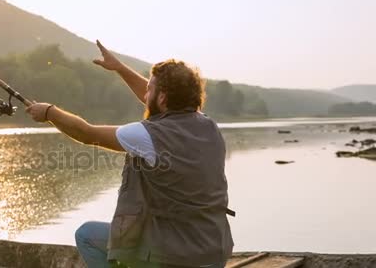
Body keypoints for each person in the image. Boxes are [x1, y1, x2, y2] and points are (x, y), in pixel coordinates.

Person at [26, 40, 234, 268]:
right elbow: (160, 99)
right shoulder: (207, 125)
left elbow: (85, 133)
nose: (146, 93)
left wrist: (48, 112)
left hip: (179, 257)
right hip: (214, 252)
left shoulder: (147, 135)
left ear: (162, 97)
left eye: (150, 89)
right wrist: (120, 69)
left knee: (86, 234)